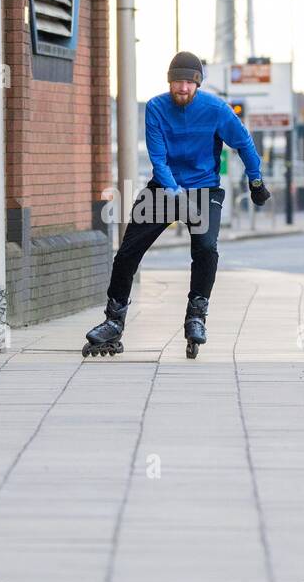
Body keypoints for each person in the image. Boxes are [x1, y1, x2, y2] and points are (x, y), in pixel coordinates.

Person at [83, 51, 270, 359]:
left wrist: (256, 181)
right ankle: (113, 322)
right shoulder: (156, 107)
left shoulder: (216, 109)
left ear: (197, 83)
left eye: (188, 82)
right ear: (169, 82)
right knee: (128, 252)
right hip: (164, 187)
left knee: (206, 248)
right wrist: (173, 192)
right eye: (176, 82)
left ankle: (196, 316)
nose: (182, 88)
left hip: (204, 188)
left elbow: (243, 142)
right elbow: (157, 157)